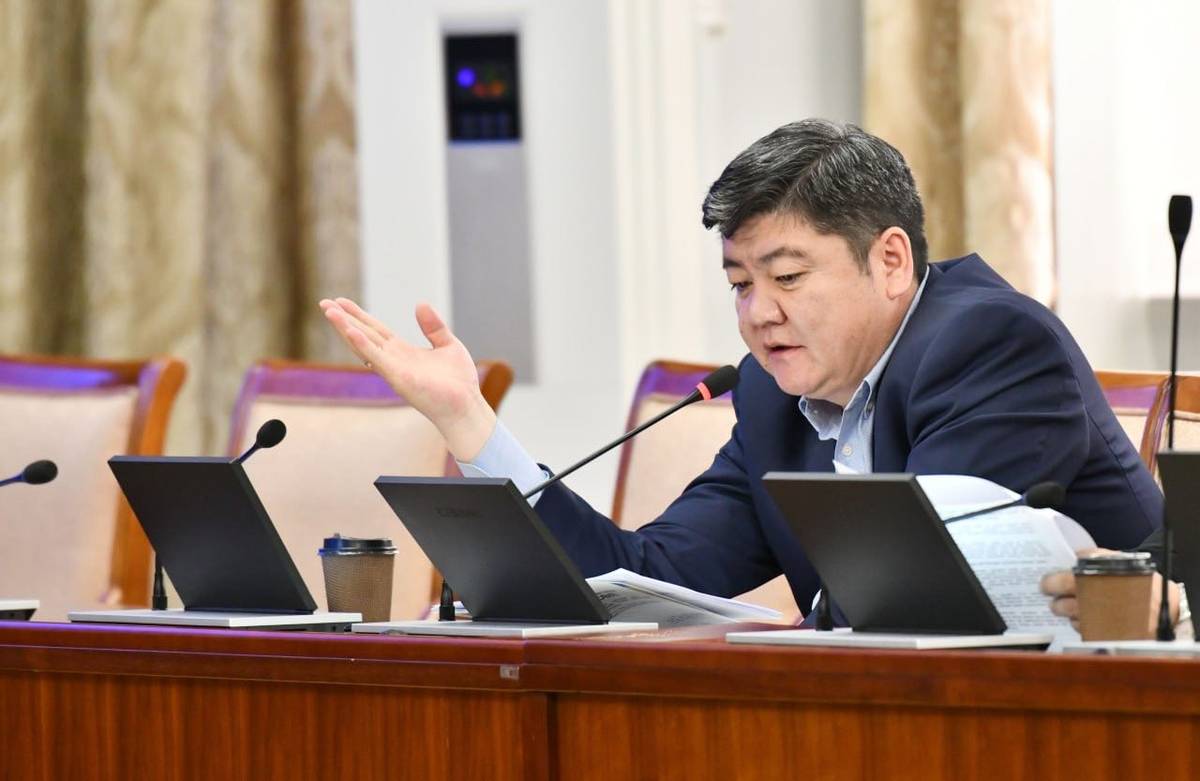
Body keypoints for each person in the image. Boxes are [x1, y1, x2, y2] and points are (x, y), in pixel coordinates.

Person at [320, 119, 1161, 620]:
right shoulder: (770, 396)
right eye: (739, 283)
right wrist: (468, 421)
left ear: (891, 260)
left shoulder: (992, 345)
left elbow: (918, 590)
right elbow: (645, 577)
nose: (758, 313)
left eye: (787, 277)